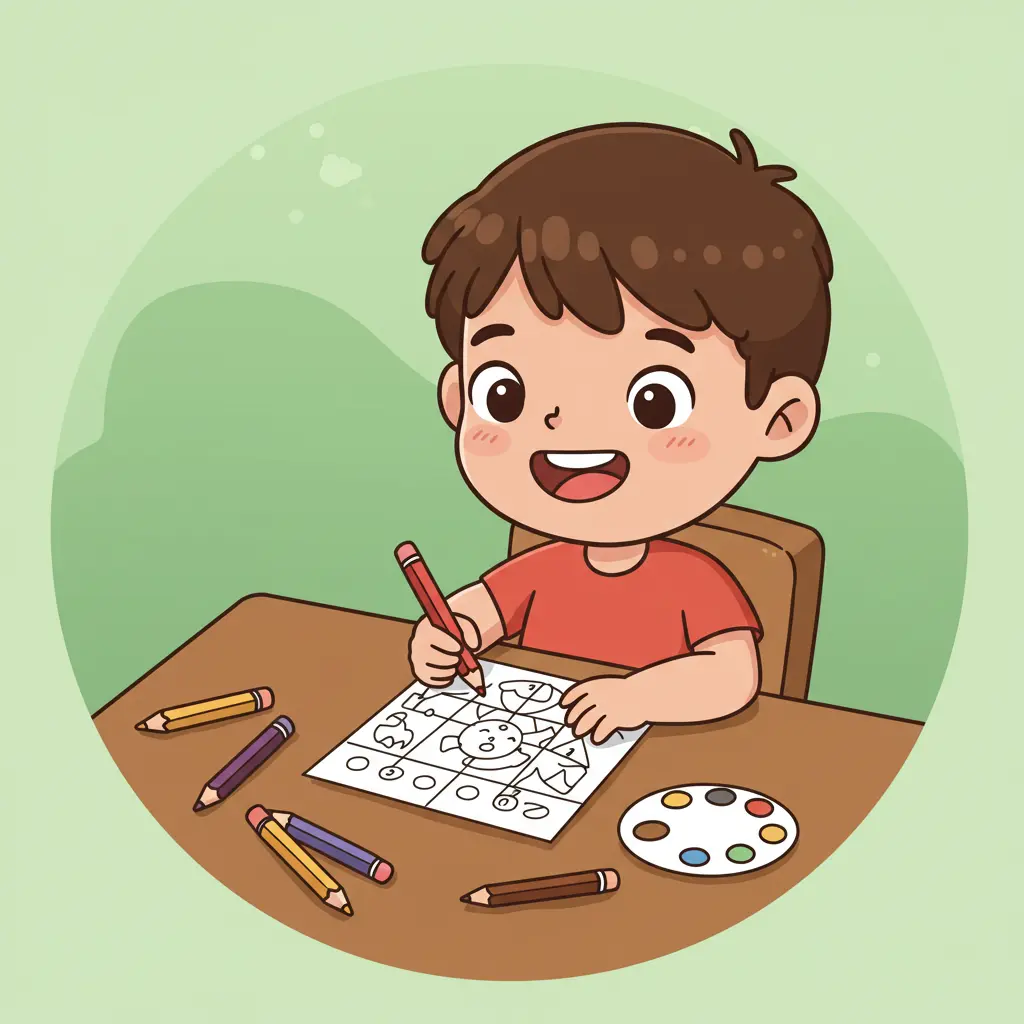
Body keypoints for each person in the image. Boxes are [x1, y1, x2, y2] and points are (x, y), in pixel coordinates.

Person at [409, 123, 833, 743]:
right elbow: (478, 610)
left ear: (778, 420)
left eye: (655, 401)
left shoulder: (694, 581)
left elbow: (732, 676)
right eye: (504, 393)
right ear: (458, 397)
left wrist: (637, 697)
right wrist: (448, 635)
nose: (565, 424)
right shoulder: (543, 568)